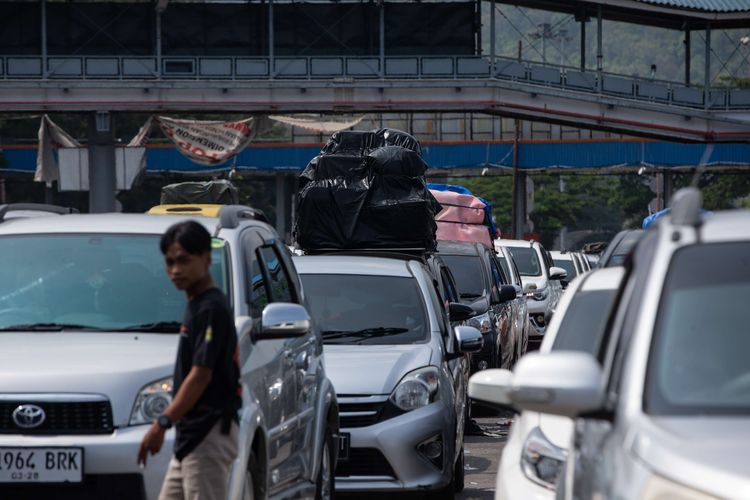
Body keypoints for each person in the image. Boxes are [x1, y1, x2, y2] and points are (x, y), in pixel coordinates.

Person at [137, 220, 241, 500]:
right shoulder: (196, 304)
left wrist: (161, 423)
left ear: (207, 259)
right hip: (191, 436)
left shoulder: (211, 308)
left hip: (208, 433)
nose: (175, 270)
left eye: (183, 260)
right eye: (169, 262)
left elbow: (201, 375)